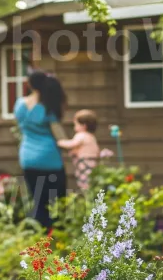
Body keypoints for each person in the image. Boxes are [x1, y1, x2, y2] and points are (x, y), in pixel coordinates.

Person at [14, 71, 68, 230]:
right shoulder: (47, 107)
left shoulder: (20, 105)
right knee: (56, 201)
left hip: (27, 158)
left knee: (38, 201)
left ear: (29, 85)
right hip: (49, 159)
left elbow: (21, 126)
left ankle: (37, 240)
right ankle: (55, 238)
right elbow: (60, 137)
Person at [57, 109, 101, 190]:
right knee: (91, 181)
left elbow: (72, 144)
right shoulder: (92, 137)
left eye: (76, 125)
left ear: (83, 126)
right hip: (92, 162)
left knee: (85, 182)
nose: (74, 128)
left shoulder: (81, 135)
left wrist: (60, 142)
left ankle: (87, 195)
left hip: (84, 163)